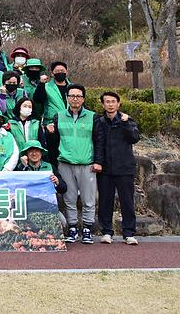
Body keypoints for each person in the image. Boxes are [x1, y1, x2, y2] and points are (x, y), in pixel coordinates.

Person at [45, 84, 100, 244]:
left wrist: (98, 161)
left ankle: (88, 228)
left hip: (87, 164)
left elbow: (99, 141)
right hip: (65, 163)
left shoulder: (93, 117)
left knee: (88, 198)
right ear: (67, 98)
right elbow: (54, 143)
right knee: (69, 198)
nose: (75, 99)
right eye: (72, 96)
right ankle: (73, 227)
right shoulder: (59, 116)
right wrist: (49, 132)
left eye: (78, 96)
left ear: (83, 98)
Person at [94, 91, 141, 245]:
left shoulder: (126, 119)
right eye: (107, 101)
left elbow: (134, 138)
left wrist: (126, 123)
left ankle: (129, 233)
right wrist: (98, 162)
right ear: (103, 104)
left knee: (127, 201)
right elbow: (98, 144)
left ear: (118, 104)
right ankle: (107, 232)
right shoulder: (99, 122)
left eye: (113, 101)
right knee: (105, 202)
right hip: (105, 169)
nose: (110, 104)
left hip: (125, 168)